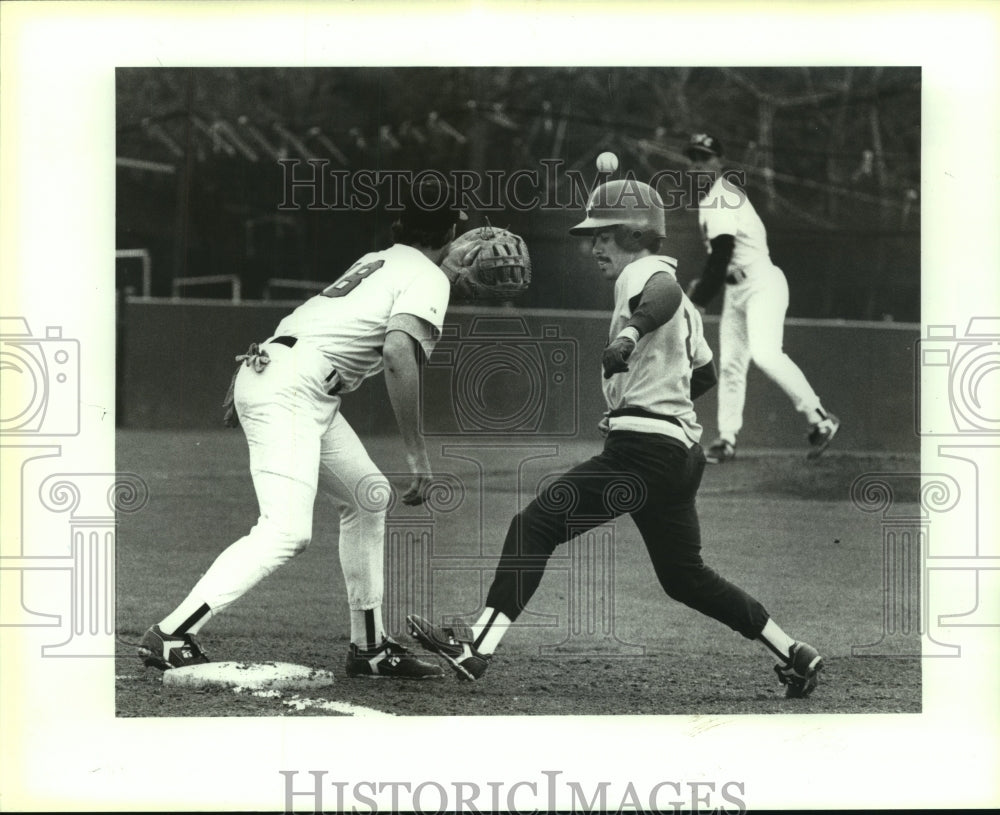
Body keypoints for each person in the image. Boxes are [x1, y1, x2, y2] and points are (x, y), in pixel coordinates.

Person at [407, 179, 824, 698]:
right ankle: (793, 651)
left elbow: (662, 295)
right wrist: (658, 399)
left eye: (603, 234)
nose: (593, 245)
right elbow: (707, 375)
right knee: (684, 577)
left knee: (535, 523)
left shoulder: (645, 273)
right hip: (677, 454)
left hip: (643, 453)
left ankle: (478, 644)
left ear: (633, 232)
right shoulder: (683, 304)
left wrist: (630, 334)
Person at [138, 178, 471, 679]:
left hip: (282, 370)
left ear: (402, 225)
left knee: (367, 496)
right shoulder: (429, 276)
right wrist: (417, 455)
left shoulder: (378, 258)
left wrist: (259, 379)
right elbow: (399, 353)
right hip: (294, 385)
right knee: (286, 531)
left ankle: (370, 647)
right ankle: (172, 633)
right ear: (449, 230)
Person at [683, 132, 840, 463]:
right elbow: (722, 259)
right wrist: (706, 285)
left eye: (704, 158)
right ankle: (726, 439)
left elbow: (722, 253)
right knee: (730, 365)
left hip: (761, 284)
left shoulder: (722, 197)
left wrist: (698, 298)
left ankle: (821, 418)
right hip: (737, 289)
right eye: (693, 159)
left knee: (766, 354)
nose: (697, 166)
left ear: (718, 162)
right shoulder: (712, 199)